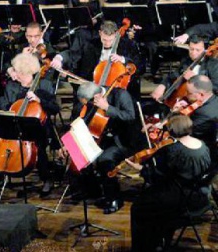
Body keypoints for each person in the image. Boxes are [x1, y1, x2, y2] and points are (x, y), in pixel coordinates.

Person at [130, 115, 211, 251]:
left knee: (138, 207)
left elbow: (158, 177)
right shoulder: (203, 146)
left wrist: (141, 169)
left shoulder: (174, 150)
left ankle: (144, 247)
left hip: (179, 199)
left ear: (172, 131)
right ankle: (161, 238)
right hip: (199, 195)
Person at [0, 53, 60, 196]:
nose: (13, 73)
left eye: (16, 71)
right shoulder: (12, 86)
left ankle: (46, 179)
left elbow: (55, 108)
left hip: (38, 126)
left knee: (39, 145)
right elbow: (5, 104)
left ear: (25, 72)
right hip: (15, 123)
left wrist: (39, 100)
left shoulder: (43, 85)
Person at [74, 81, 142, 213]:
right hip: (102, 138)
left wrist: (108, 108)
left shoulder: (121, 95)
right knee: (78, 152)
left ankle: (115, 199)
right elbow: (85, 119)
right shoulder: (90, 99)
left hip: (123, 141)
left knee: (105, 160)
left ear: (97, 97)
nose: (87, 106)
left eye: (89, 103)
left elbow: (130, 116)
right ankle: (94, 191)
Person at [51, 20, 142, 102]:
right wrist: (59, 58)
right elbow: (72, 54)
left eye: (110, 40)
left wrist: (123, 59)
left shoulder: (128, 45)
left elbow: (139, 65)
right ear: (100, 33)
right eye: (104, 40)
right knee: (78, 109)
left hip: (117, 89)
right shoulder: (91, 45)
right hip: (94, 87)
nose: (107, 43)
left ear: (116, 35)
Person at [113, 0, 163, 78]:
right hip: (131, 25)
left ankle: (155, 70)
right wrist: (131, 27)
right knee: (122, 40)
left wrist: (140, 26)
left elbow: (154, 13)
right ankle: (129, 68)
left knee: (151, 45)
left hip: (150, 27)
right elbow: (124, 10)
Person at [151, 35, 218, 102]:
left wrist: (196, 79)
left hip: (205, 103)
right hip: (183, 101)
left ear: (205, 50)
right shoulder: (186, 61)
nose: (194, 53)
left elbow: (216, 88)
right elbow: (172, 77)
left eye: (198, 50)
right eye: (191, 49)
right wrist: (162, 85)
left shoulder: (214, 65)